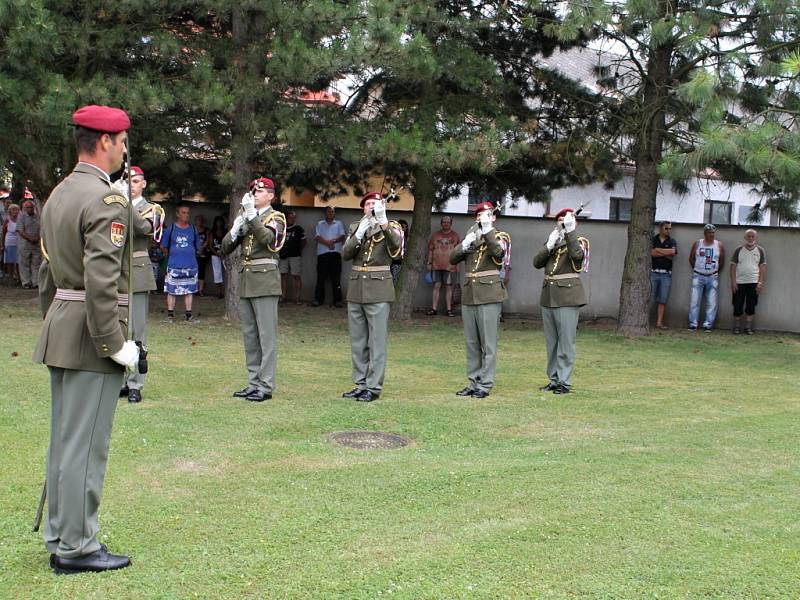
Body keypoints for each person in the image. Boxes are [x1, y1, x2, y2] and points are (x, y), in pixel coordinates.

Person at [33, 104, 137, 574]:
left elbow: (45, 273)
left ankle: (62, 533)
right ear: (104, 142)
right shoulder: (105, 199)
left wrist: (53, 322)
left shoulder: (59, 194)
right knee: (86, 444)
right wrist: (114, 343)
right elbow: (102, 281)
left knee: (65, 442)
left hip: (62, 324)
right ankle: (76, 546)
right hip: (89, 331)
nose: (121, 149)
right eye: (119, 142)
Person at [222, 177, 286, 402]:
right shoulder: (247, 217)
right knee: (250, 336)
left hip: (265, 280)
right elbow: (225, 247)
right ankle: (253, 382)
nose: (255, 194)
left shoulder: (276, 217)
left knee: (266, 337)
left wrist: (251, 216)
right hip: (247, 280)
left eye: (260, 191)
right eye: (254, 191)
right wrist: (236, 228)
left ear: (271, 196)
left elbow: (270, 241)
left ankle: (266, 386)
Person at [341, 192, 403, 402]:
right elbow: (345, 254)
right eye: (368, 204)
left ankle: (373, 387)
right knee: (358, 340)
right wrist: (359, 234)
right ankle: (360, 383)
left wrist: (384, 223)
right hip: (357, 286)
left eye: (375, 204)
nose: (371, 207)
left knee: (376, 341)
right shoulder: (355, 226)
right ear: (363, 208)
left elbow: (397, 251)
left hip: (378, 287)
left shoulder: (392, 226)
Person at [448, 202, 509, 398]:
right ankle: (473, 381)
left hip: (489, 293)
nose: (482, 217)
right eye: (480, 215)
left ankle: (486, 383)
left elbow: (498, 254)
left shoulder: (500, 237)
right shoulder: (471, 236)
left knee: (488, 342)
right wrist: (465, 244)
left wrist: (488, 230)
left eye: (487, 214)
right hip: (470, 293)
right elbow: (452, 258)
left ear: (493, 218)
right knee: (472, 341)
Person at [116, 166, 161, 404]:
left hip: (138, 272)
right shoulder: (117, 204)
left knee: (137, 331)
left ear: (144, 184)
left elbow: (145, 229)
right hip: (115, 273)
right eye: (127, 181)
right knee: (119, 330)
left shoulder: (152, 209)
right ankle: (120, 380)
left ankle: (135, 383)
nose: (131, 184)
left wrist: (124, 204)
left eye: (136, 181)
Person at [533, 208, 590, 394]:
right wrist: (550, 244)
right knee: (552, 342)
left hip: (567, 297)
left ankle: (564, 381)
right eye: (559, 220)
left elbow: (577, 257)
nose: (562, 223)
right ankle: (554, 378)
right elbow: (537, 262)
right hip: (549, 295)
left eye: (565, 221)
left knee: (566, 341)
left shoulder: (579, 241)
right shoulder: (554, 242)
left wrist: (570, 231)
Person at [161, 204, 203, 322]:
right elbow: (163, 246)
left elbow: (198, 247)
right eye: (183, 212)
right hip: (174, 265)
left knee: (189, 290)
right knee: (171, 290)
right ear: (178, 214)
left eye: (188, 213)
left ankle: (189, 315)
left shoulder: (193, 229)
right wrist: (173, 255)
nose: (186, 215)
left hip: (191, 265)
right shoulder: (171, 229)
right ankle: (170, 315)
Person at [689, 224, 725, 332]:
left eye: (713, 233)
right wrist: (697, 268)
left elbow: (722, 261)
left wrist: (715, 271)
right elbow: (691, 259)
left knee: (712, 302)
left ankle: (708, 325)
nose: (711, 235)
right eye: (709, 232)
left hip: (712, 276)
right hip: (698, 275)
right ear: (705, 233)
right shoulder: (697, 244)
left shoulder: (719, 245)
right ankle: (693, 324)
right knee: (694, 300)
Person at [730, 229, 766, 335]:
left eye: (752, 236)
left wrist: (760, 282)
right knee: (737, 305)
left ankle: (748, 327)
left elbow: (763, 267)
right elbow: (733, 266)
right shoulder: (738, 250)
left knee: (751, 305)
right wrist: (733, 282)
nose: (750, 238)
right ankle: (736, 327)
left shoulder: (760, 250)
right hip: (739, 282)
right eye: (748, 236)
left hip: (754, 282)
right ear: (745, 238)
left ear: (755, 238)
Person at [426, 216, 461, 317]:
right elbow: (430, 250)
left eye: (448, 222)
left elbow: (458, 252)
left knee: (449, 287)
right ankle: (434, 309)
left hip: (450, 266)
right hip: (436, 266)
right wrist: (429, 263)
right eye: (444, 222)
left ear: (451, 223)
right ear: (441, 223)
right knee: (436, 286)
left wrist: (458, 265)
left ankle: (449, 310)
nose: (446, 224)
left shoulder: (455, 236)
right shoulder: (435, 235)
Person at [312, 206, 346, 307]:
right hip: (322, 253)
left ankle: (338, 300)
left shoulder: (339, 223)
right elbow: (317, 237)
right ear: (325, 213)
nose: (330, 213)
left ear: (334, 213)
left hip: (335, 253)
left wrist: (333, 241)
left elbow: (342, 236)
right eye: (328, 212)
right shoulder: (320, 224)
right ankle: (318, 299)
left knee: (336, 278)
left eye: (332, 212)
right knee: (320, 278)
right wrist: (327, 243)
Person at [650, 221, 678, 329]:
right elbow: (651, 253)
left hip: (666, 274)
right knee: (650, 297)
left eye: (670, 228)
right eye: (666, 228)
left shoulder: (672, 241)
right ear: (660, 228)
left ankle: (659, 323)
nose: (668, 230)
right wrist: (665, 252)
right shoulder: (653, 239)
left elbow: (672, 253)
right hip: (654, 272)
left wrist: (658, 250)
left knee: (663, 299)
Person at [279, 210, 306, 304]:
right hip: (283, 256)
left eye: (294, 217)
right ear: (286, 218)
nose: (293, 219)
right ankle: (283, 297)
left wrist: (298, 251)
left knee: (296, 276)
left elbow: (304, 241)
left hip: (295, 255)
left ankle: (297, 298)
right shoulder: (282, 228)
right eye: (291, 217)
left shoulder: (299, 229)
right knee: (283, 276)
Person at [17, 199, 42, 289]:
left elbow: (41, 227)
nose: (29, 209)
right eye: (27, 207)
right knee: (24, 263)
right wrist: (30, 238)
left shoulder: (37, 216)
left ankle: (36, 282)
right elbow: (20, 230)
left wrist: (37, 237)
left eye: (31, 207)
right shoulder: (21, 217)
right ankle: (26, 282)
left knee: (36, 263)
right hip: (25, 243)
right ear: (24, 208)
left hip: (36, 243)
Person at [2, 203, 20, 283]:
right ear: (10, 211)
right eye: (13, 210)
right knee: (10, 261)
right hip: (9, 242)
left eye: (16, 210)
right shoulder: (7, 220)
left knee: (18, 261)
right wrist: (2, 244)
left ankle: (19, 278)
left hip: (18, 242)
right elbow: (3, 233)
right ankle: (11, 278)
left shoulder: (20, 219)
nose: (15, 211)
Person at [210, 215, 227, 298]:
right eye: (217, 222)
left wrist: (223, 253)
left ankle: (228, 291)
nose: (219, 223)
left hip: (225, 254)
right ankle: (220, 293)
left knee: (229, 272)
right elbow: (210, 246)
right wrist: (218, 254)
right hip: (215, 255)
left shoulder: (226, 231)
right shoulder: (212, 232)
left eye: (220, 222)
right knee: (217, 275)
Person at [194, 214, 211, 296]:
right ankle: (194, 289)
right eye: (198, 220)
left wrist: (201, 249)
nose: (199, 222)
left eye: (201, 220)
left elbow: (207, 241)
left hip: (203, 253)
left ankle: (201, 290)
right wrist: (196, 250)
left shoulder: (206, 230)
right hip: (194, 253)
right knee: (194, 271)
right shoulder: (193, 229)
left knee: (201, 271)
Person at [390, 219, 409, 284]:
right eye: (403, 227)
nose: (404, 229)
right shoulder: (395, 237)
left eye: (406, 227)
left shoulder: (406, 238)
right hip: (395, 262)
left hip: (403, 263)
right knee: (394, 280)